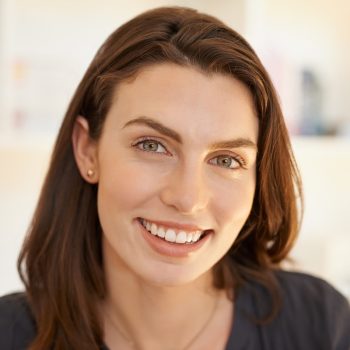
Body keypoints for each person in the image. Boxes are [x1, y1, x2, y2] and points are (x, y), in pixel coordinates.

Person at [0, 6, 349, 350]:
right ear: (87, 150)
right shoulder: (10, 334)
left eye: (226, 159)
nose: (187, 197)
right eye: (152, 145)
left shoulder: (320, 326)